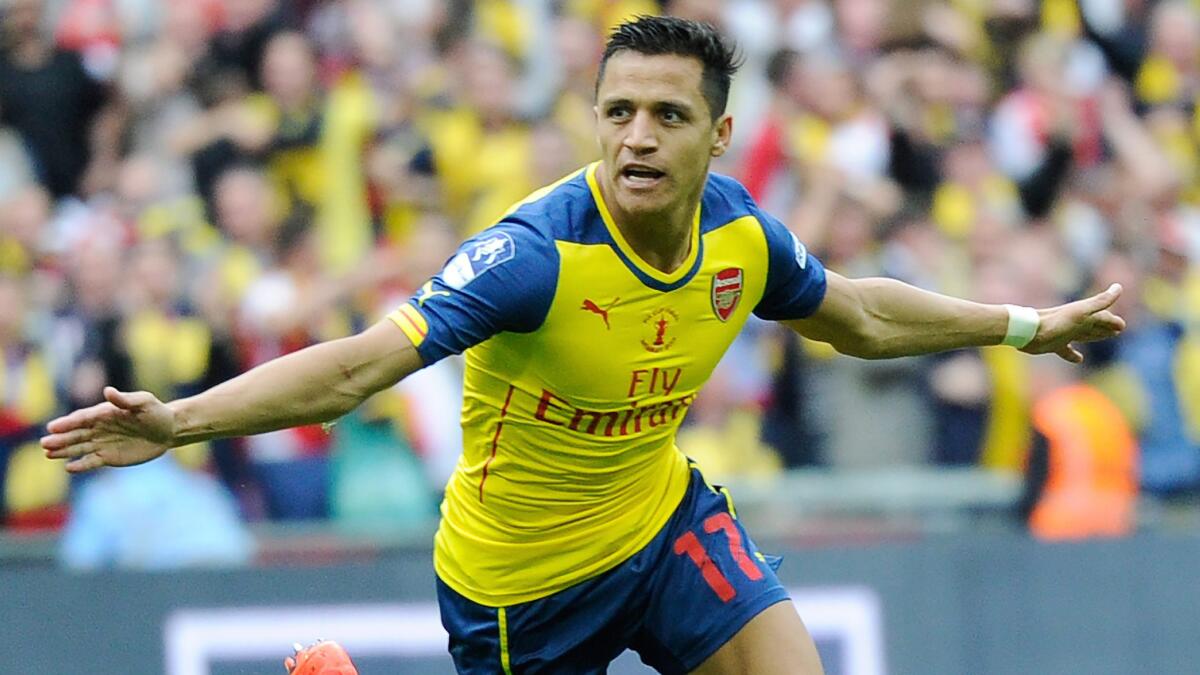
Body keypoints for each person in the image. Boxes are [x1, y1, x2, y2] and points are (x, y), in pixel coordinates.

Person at [42, 16, 1126, 675]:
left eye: (664, 115)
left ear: (720, 136)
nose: (636, 137)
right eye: (617, 113)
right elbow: (361, 365)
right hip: (520, 588)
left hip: (662, 530)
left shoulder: (740, 234)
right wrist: (180, 420)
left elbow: (857, 313)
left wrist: (1024, 326)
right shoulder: (533, 257)